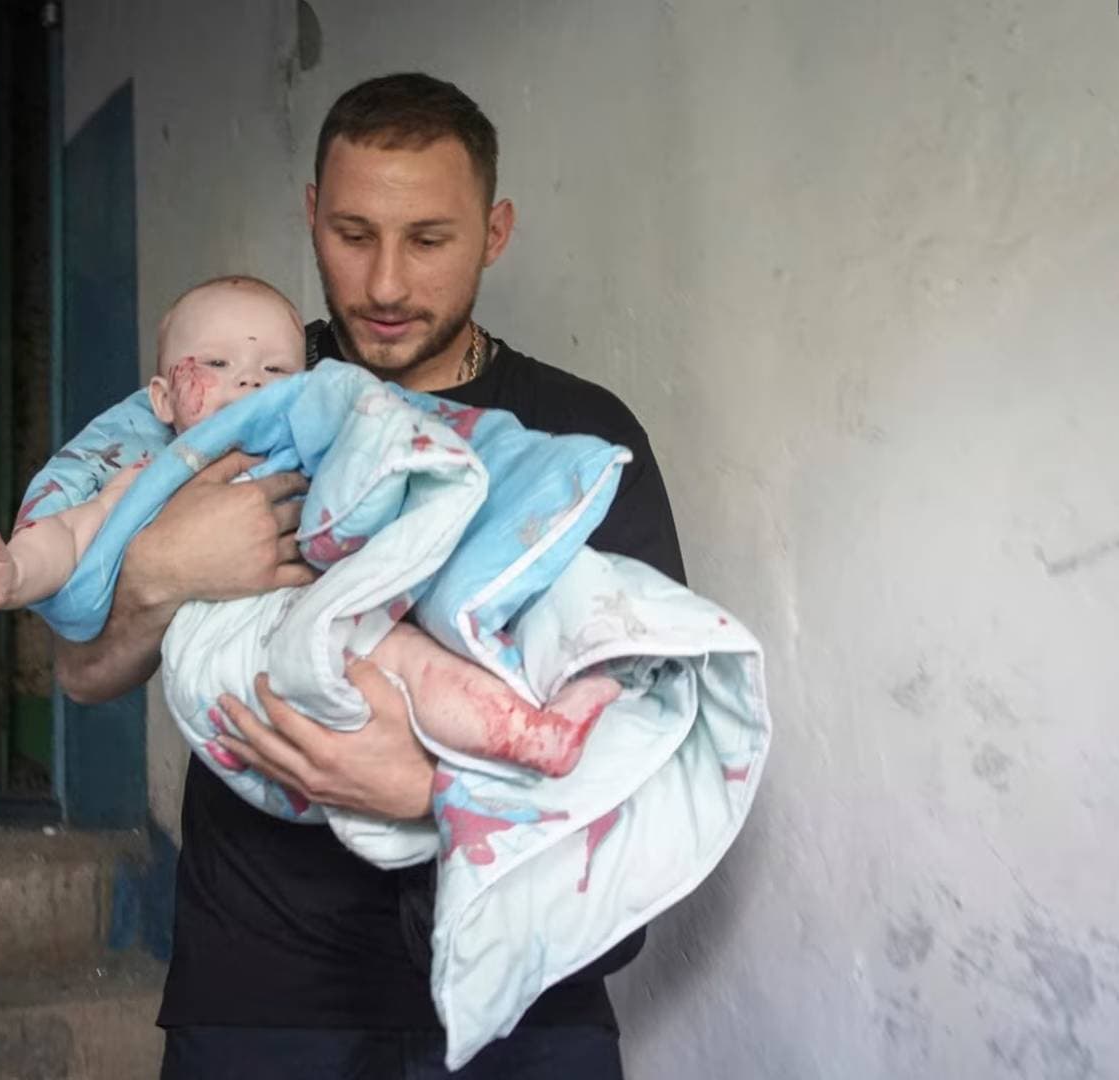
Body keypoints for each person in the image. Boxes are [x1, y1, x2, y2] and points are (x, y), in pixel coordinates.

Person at [55, 73, 686, 1078]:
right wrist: (161, 571)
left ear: (495, 231)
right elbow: (80, 669)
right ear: (310, 214)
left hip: (525, 984)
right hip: (265, 986)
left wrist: (427, 790)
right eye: (352, 234)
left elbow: (651, 734)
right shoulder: (234, 398)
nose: (386, 285)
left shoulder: (577, 440)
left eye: (429, 239)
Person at [0, 273, 623, 779]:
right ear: (162, 398)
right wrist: (9, 573)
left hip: (349, 624)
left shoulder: (326, 435)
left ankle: (528, 729)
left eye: (274, 370)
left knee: (415, 665)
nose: (249, 385)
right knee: (384, 672)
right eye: (218, 365)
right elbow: (70, 539)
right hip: (248, 659)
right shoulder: (148, 478)